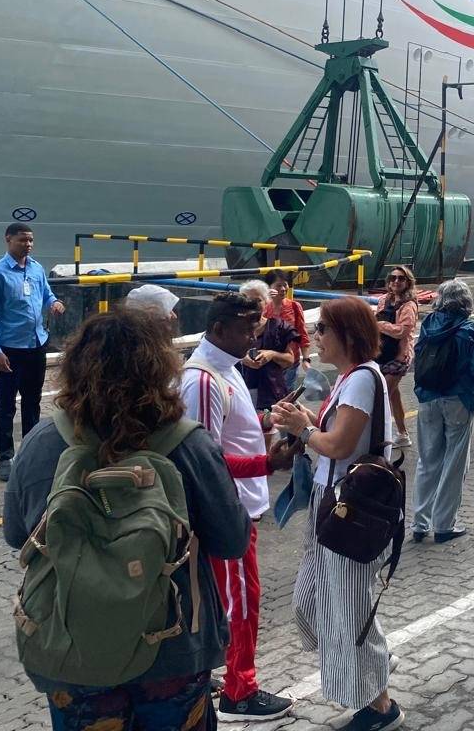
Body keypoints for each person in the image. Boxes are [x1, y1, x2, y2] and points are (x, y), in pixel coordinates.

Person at [2, 309, 254, 731]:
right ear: (158, 369)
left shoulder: (41, 443)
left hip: (72, 647)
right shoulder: (189, 444)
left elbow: (16, 534)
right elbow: (232, 540)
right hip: (173, 646)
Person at [272, 297, 404, 731]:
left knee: (346, 607)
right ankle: (373, 663)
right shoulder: (350, 377)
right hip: (330, 502)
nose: (316, 337)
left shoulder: (363, 378)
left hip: (350, 508)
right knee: (312, 602)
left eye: (323, 329)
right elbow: (335, 434)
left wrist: (303, 428)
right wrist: (305, 418)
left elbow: (340, 445)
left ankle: (379, 706)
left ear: (347, 334)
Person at [179, 292, 294, 722]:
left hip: (239, 507)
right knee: (242, 602)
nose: (254, 337)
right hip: (228, 512)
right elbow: (204, 460)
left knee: (223, 598)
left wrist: (267, 419)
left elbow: (232, 430)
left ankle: (213, 673)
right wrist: (268, 463)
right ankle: (239, 691)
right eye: (247, 329)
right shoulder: (203, 380)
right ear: (218, 329)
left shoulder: (225, 368)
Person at [0, 223, 66, 482]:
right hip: (10, 350)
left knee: (32, 402)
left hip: (36, 346)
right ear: (8, 240)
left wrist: (54, 303)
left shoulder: (37, 268)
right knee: (6, 405)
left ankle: (30, 452)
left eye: (30, 240)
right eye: (22, 240)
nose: (27, 245)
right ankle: (4, 457)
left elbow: (46, 294)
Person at [412, 279, 474, 542]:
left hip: (427, 397)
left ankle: (419, 523)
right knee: (454, 462)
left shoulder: (428, 324)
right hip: (458, 398)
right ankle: (444, 525)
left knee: (427, 460)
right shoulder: (469, 328)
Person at [238, 279, 298, 415]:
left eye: (258, 300)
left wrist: (272, 354)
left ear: (266, 302)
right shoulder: (233, 327)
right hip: (239, 390)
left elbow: (290, 359)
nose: (253, 304)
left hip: (271, 391)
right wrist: (242, 358)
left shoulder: (278, 327)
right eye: (248, 300)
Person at [375, 266, 418, 449]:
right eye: (393, 278)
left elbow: (403, 331)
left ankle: (379, 436)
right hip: (382, 353)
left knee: (381, 395)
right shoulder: (383, 300)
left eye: (401, 278)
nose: (396, 281)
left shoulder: (409, 305)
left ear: (408, 282)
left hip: (399, 357)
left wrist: (380, 325)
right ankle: (403, 434)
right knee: (392, 395)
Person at [265, 269, 310, 378]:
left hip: (291, 364)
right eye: (278, 285)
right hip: (269, 364)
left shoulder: (294, 306)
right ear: (269, 288)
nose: (283, 289)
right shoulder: (262, 307)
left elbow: (302, 334)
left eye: (285, 285)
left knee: (289, 389)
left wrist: (306, 359)